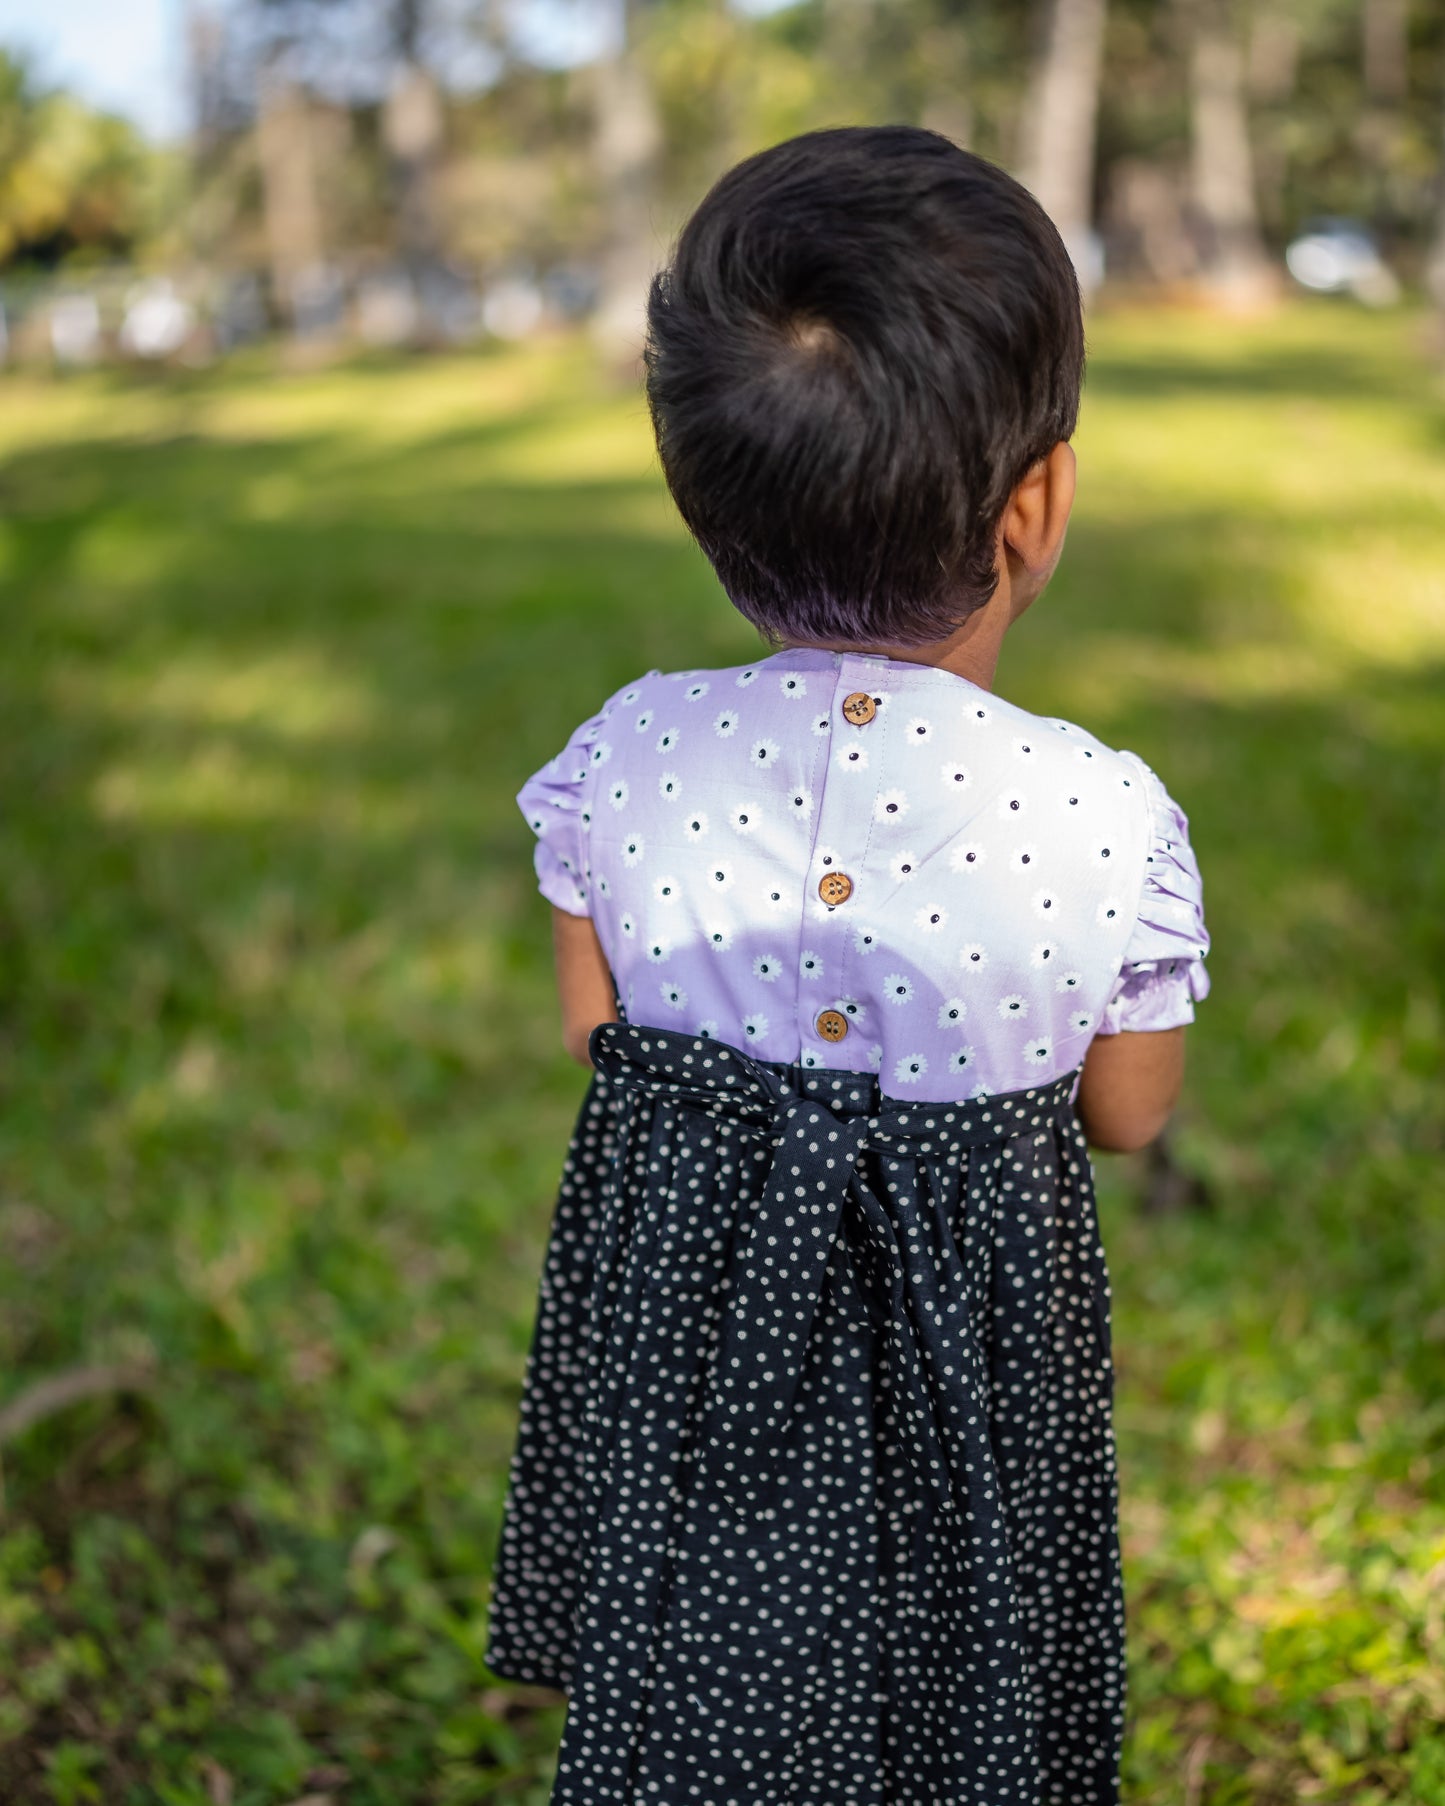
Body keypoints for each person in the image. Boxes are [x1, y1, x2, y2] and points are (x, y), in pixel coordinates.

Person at [486, 127, 1210, 1806]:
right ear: (1036, 504)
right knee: (967, 1673)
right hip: (972, 1361)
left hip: (696, 1344)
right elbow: (1127, 1113)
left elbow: (600, 1038)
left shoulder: (623, 756)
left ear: (696, 489)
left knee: (707, 1683)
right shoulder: (1106, 813)